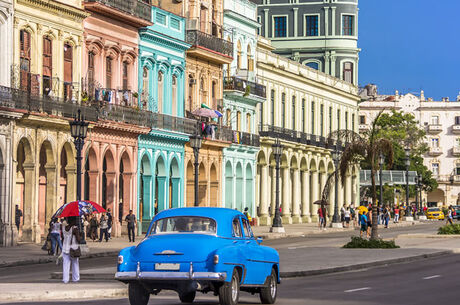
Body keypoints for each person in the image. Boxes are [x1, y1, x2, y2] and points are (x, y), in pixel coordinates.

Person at [62, 217, 81, 284]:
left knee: (65, 265)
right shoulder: (75, 229)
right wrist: (79, 234)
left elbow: (62, 238)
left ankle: (65, 279)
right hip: (73, 248)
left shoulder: (64, 228)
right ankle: (75, 278)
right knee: (75, 264)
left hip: (65, 248)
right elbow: (79, 240)